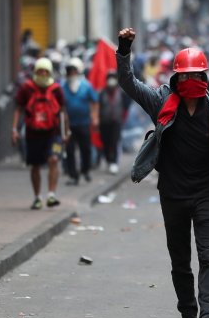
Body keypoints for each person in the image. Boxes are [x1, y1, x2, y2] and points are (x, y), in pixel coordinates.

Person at [116, 27, 209, 318]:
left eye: (196, 75)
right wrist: (124, 50)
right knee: (180, 262)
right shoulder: (162, 102)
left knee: (208, 255)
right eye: (184, 76)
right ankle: (189, 316)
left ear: (204, 78)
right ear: (176, 78)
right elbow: (128, 83)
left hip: (207, 194)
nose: (190, 81)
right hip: (172, 194)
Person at [12, 57, 70, 210]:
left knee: (53, 160)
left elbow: (63, 111)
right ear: (35, 72)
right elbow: (18, 109)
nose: (43, 74)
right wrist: (14, 130)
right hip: (33, 133)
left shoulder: (56, 89)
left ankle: (51, 194)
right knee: (35, 165)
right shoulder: (27, 88)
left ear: (50, 72)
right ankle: (37, 197)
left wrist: (66, 131)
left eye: (46, 71)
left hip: (54, 133)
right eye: (40, 71)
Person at [62, 57, 99, 185]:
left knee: (86, 148)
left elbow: (94, 102)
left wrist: (94, 118)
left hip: (83, 123)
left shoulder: (86, 86)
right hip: (68, 125)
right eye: (69, 71)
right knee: (70, 150)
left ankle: (85, 170)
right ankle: (73, 175)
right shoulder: (62, 87)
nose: (71, 74)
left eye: (73, 71)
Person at [98, 71, 131, 174]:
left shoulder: (121, 93)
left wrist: (123, 118)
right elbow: (97, 107)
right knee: (105, 142)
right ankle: (108, 160)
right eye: (109, 78)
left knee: (115, 141)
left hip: (117, 121)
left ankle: (114, 162)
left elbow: (126, 107)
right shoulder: (102, 93)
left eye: (113, 78)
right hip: (104, 122)